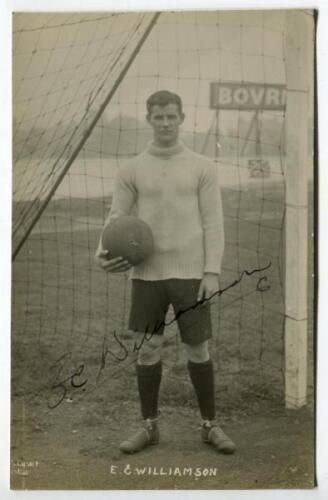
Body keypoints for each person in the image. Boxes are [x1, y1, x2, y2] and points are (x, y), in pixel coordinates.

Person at [95, 90, 235, 455]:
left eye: (172, 116)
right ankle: (149, 427)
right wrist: (102, 252)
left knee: (197, 348)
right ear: (149, 119)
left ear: (183, 118)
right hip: (146, 275)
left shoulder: (202, 166)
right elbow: (115, 218)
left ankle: (209, 425)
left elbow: (213, 223)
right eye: (158, 117)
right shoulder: (131, 169)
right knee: (147, 350)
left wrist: (212, 272)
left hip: (191, 275)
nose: (166, 123)